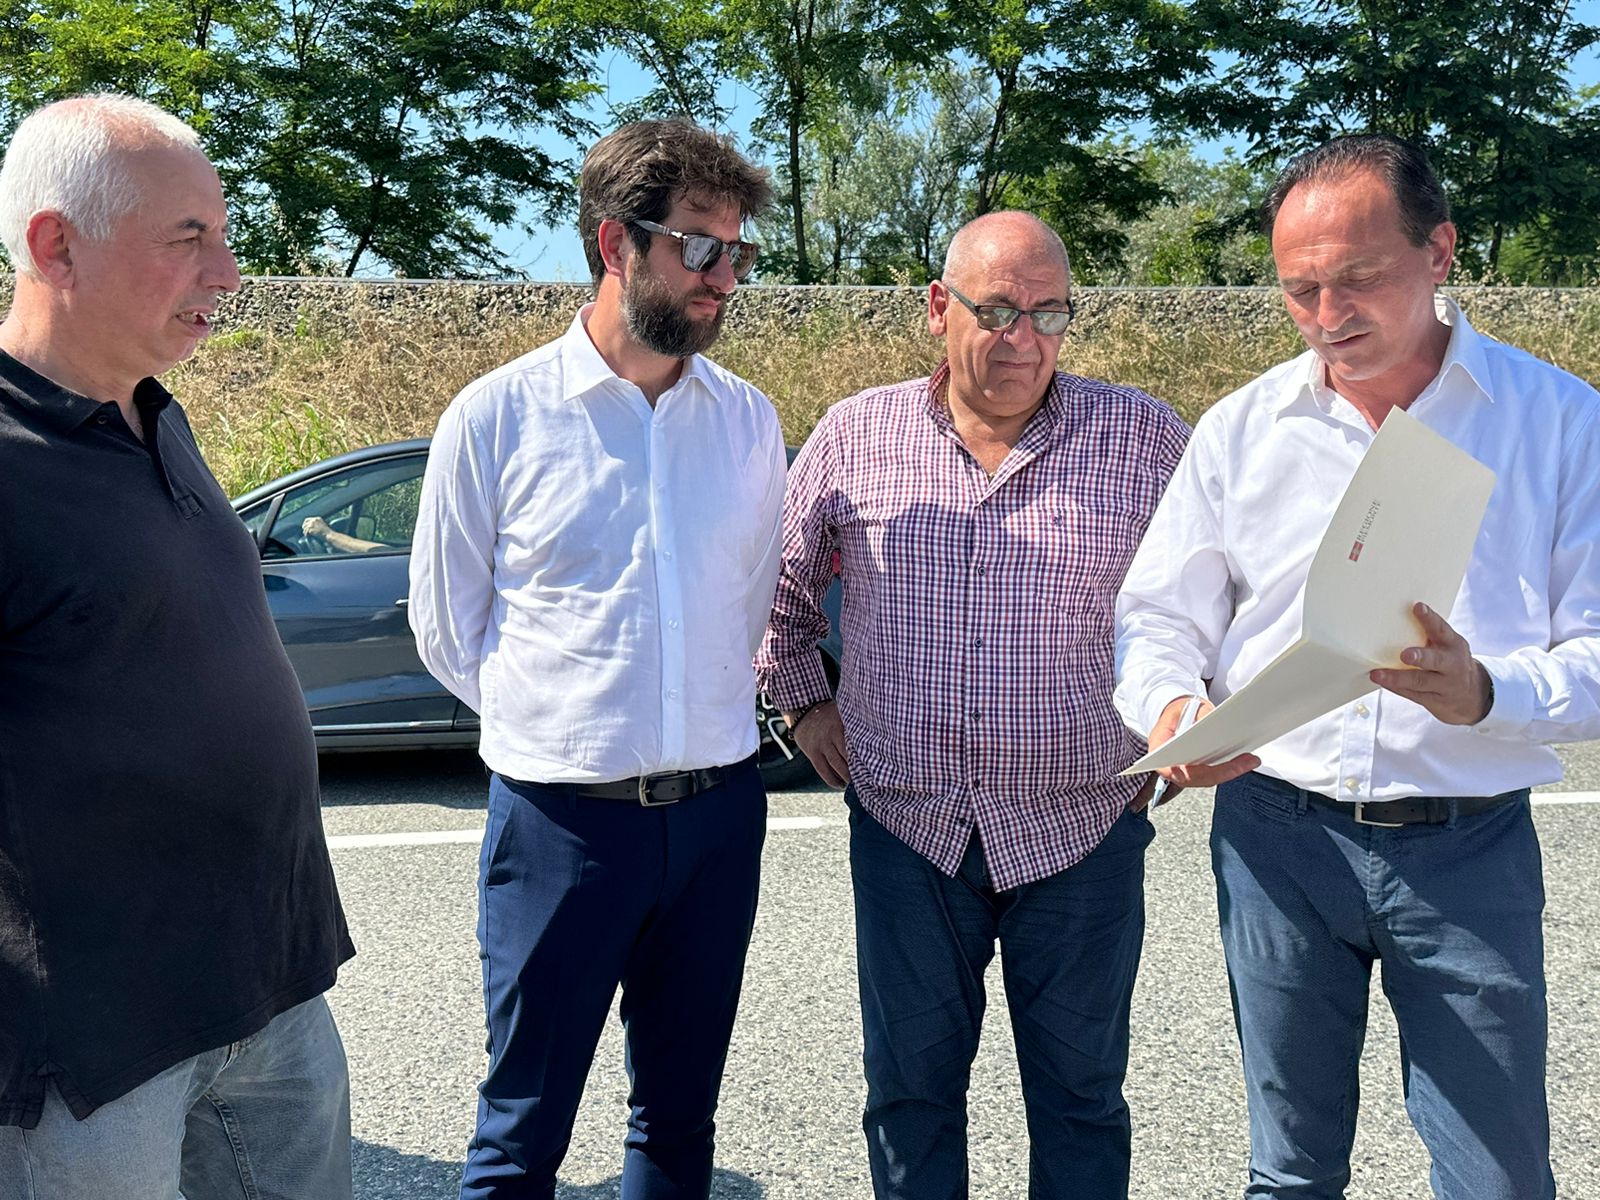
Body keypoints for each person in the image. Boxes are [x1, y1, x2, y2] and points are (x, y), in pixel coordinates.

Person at [1114, 134, 1600, 1200]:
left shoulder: (1561, 423)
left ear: (1440, 251)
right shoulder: (1242, 429)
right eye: (1299, 290)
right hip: (1276, 840)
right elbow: (1155, 615)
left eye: (1358, 278)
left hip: (1469, 848)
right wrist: (1173, 708)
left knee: (1498, 1180)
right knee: (1288, 1174)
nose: (1328, 314)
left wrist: (1489, 692)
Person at [757, 210, 1190, 1200]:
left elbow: (1220, 595)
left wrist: (1178, 730)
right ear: (936, 308)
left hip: (1084, 830)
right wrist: (806, 706)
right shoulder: (854, 435)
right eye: (996, 311)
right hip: (908, 833)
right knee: (909, 1098)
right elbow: (779, 588)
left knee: (1081, 1100)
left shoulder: (1144, 438)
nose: (1022, 339)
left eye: (1048, 313)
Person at [408, 119, 785, 1200]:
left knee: (679, 1122)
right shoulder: (496, 417)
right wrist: (565, 727)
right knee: (520, 1132)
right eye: (699, 247)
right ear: (617, 243)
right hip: (560, 827)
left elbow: (751, 604)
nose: (723, 278)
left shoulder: (748, 422)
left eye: (737, 252)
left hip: (718, 820)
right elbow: (447, 628)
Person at [0, 95, 355, 1198]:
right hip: (96, 1048)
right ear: (56, 246)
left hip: (272, 986)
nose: (228, 272)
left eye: (224, 233)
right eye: (187, 237)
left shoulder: (158, 414)